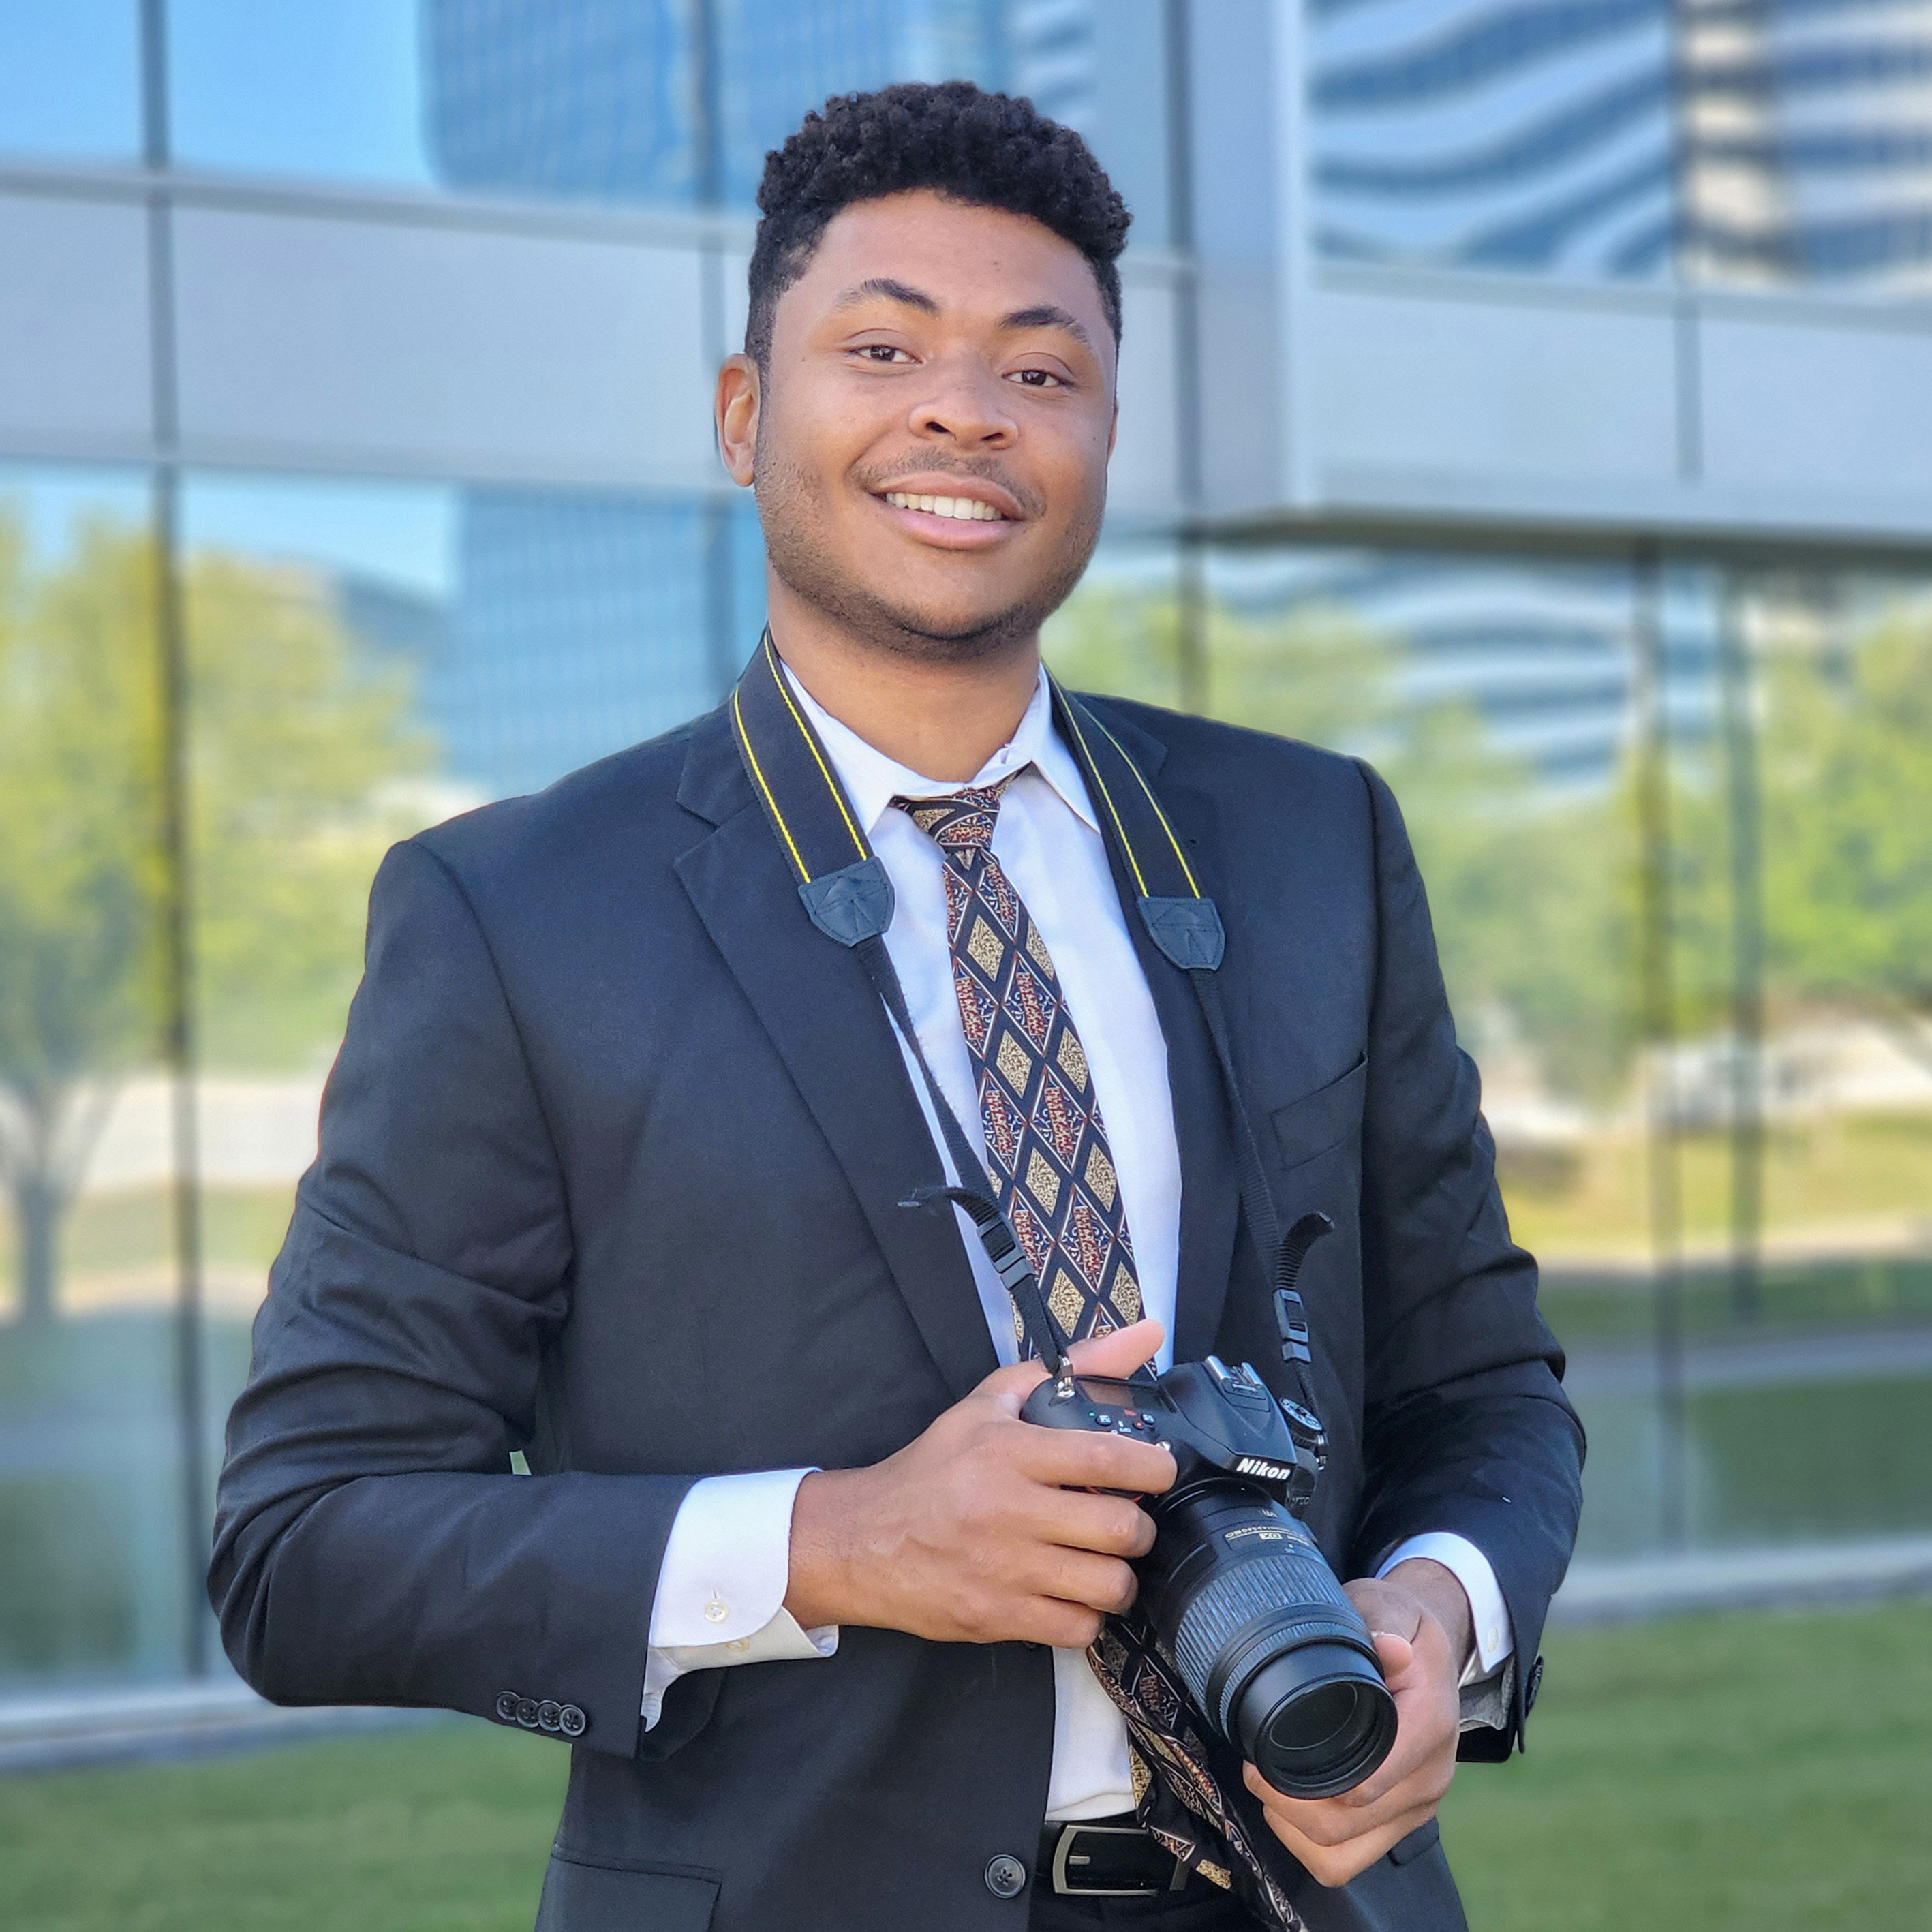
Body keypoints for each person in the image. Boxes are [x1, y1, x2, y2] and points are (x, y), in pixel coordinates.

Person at [211, 81, 1582, 1932]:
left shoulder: (1311, 837)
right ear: (742, 413)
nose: (962, 410)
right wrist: (830, 1541)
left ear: (1103, 433)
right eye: (881, 346)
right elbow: (303, 1545)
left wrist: (1430, 1615)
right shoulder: (514, 911)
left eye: (1041, 370)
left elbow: (1483, 1388)